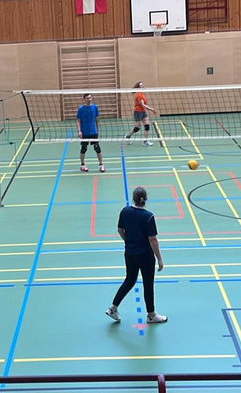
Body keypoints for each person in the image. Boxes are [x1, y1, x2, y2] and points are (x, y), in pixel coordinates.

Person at [105, 187, 167, 324]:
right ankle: (151, 315)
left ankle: (113, 308)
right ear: (146, 199)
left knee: (129, 280)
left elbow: (120, 229)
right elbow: (152, 239)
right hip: (145, 256)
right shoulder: (148, 216)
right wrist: (159, 258)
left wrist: (128, 241)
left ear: (133, 198)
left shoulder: (125, 211)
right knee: (148, 284)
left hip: (130, 254)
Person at [76, 93, 104, 173]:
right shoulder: (81, 109)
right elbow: (78, 120)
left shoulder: (95, 107)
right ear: (84, 99)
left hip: (93, 131)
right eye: (88, 98)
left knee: (97, 148)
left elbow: (97, 119)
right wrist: (79, 131)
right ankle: (82, 165)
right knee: (84, 148)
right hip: (84, 132)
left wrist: (97, 130)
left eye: (90, 98)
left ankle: (101, 164)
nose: (89, 99)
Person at [125, 82, 157, 146]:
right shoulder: (138, 94)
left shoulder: (142, 94)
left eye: (142, 85)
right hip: (138, 112)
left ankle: (145, 141)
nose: (143, 86)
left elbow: (144, 105)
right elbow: (142, 105)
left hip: (143, 112)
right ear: (138, 87)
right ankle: (128, 136)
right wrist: (151, 109)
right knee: (137, 128)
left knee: (147, 126)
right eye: (141, 85)